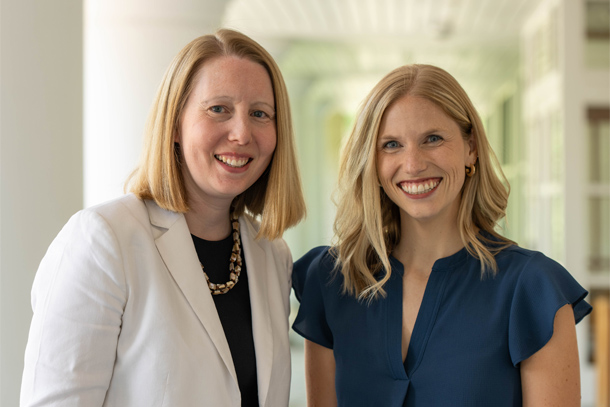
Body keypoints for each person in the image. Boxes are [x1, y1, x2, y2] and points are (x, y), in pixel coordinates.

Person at [21, 29, 306, 407]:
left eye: (259, 114)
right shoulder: (104, 240)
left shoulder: (272, 255)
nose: (241, 133)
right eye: (218, 109)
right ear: (174, 124)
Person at [292, 64, 591, 406]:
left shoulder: (533, 290)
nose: (413, 163)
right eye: (391, 144)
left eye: (432, 139)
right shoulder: (332, 280)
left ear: (471, 148)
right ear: (371, 162)